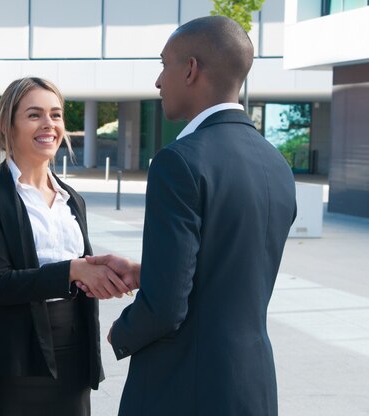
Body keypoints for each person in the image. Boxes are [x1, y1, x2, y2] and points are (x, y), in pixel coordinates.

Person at [86, 16, 297, 415]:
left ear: (190, 69)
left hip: (184, 388)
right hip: (253, 386)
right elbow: (231, 272)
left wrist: (124, 331)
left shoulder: (179, 162)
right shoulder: (277, 164)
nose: (158, 81)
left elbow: (167, 308)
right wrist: (148, 270)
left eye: (164, 65)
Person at [0, 77, 131, 416]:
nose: (49, 124)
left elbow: (82, 276)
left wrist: (110, 272)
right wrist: (71, 270)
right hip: (9, 360)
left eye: (56, 114)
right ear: (9, 125)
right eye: (34, 115)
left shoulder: (72, 200)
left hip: (71, 355)